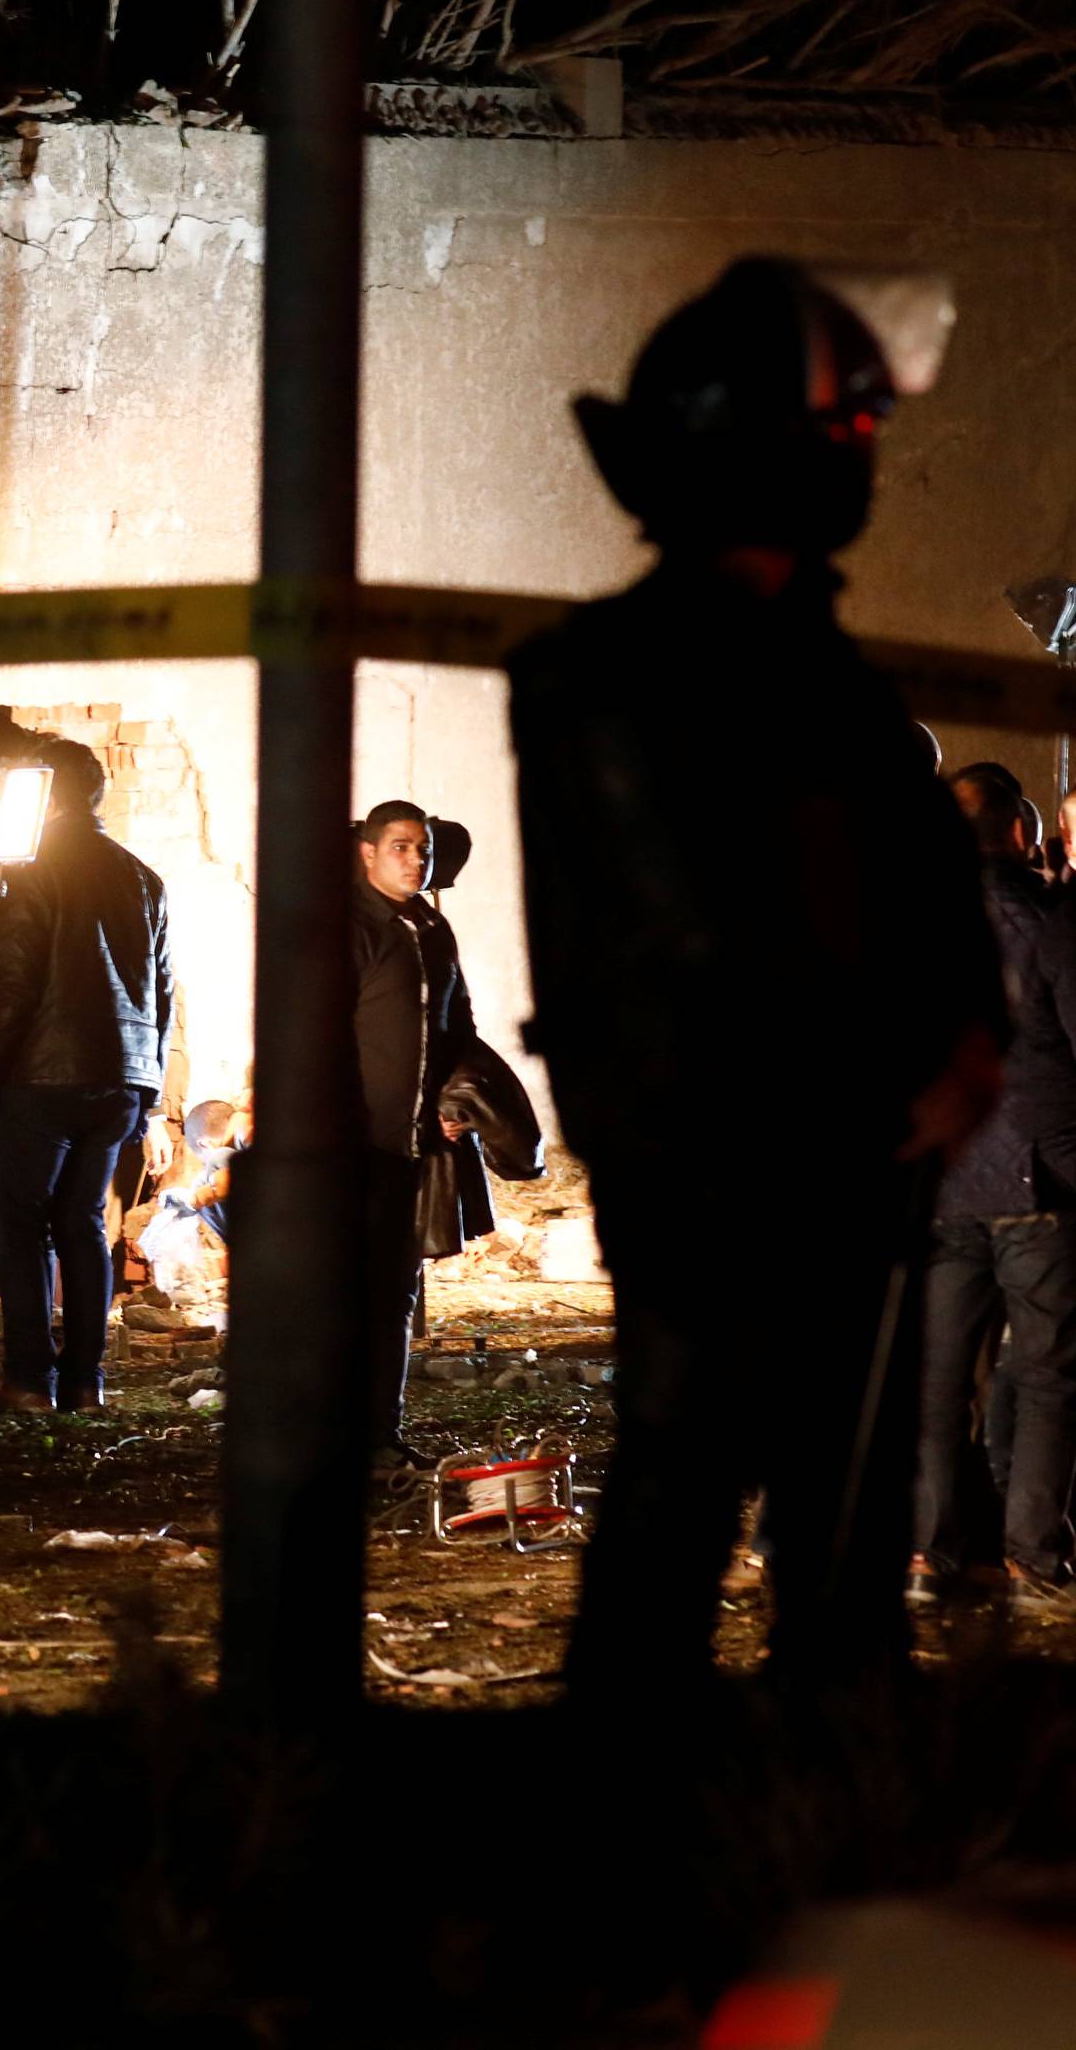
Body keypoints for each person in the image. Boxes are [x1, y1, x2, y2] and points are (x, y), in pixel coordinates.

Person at [507, 256, 1003, 1708]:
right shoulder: (628, 676)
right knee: (683, 1485)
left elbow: (922, 886)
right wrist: (880, 1072)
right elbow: (712, 935)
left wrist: (965, 1035)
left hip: (850, 1151)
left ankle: (819, 1810)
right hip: (724, 1157)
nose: (863, 461)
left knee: (842, 1533)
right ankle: (632, 1834)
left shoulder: (820, 669)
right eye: (842, 432)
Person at [911, 778, 1076, 1614]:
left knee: (939, 1381)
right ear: (1020, 832)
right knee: (1046, 1375)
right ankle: (1032, 1557)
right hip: (1041, 1183)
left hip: (943, 1184)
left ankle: (931, 1551)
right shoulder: (1053, 922)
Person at [0, 737, 174, 1411]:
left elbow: (14, 980)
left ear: (48, 796)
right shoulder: (143, 878)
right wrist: (147, 1086)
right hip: (121, 1079)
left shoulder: (33, 870)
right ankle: (87, 1381)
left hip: (40, 1076)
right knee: (84, 1224)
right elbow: (165, 991)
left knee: (23, 1225)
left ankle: (31, 1381)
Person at [352, 800, 493, 1471]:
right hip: (357, 1144)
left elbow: (458, 1025)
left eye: (423, 849)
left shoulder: (433, 929)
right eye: (402, 847)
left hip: (417, 1146)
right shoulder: (347, 926)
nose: (415, 860)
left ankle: (380, 1433)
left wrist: (457, 1098)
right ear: (369, 852)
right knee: (345, 1289)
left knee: (395, 1291)